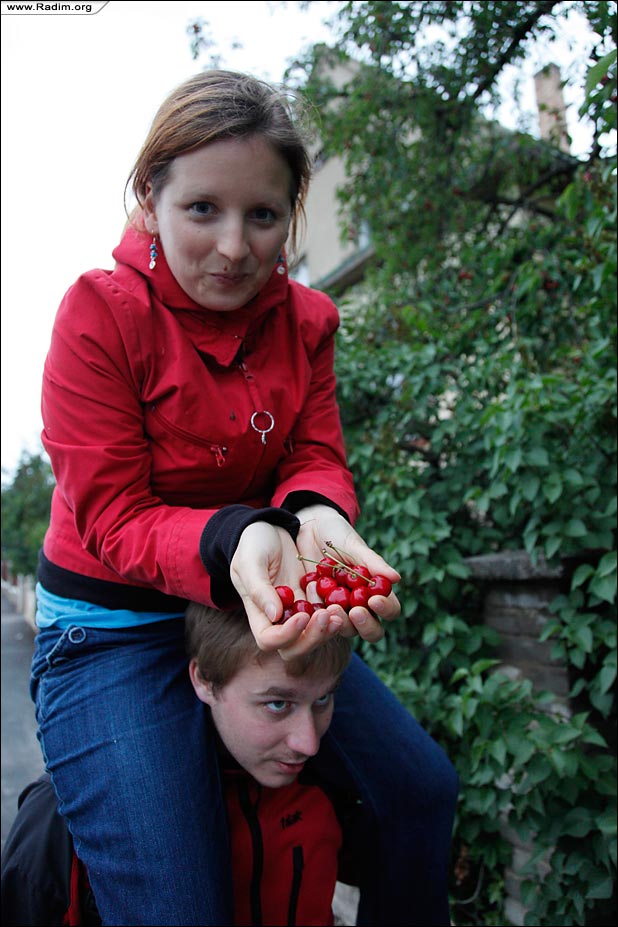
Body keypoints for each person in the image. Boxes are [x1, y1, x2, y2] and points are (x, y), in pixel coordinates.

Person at [29, 69, 458, 926]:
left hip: (249, 605)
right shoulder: (98, 315)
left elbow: (312, 451)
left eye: (262, 215)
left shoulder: (308, 321)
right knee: (182, 901)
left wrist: (317, 514)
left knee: (419, 792)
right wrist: (237, 538)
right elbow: (112, 517)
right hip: (111, 627)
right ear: (150, 197)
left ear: (289, 214)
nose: (234, 247)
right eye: (203, 209)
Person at [2, 604, 357, 927]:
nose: (309, 743)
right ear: (204, 680)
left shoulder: (332, 787)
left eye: (323, 698)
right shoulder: (71, 816)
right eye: (277, 704)